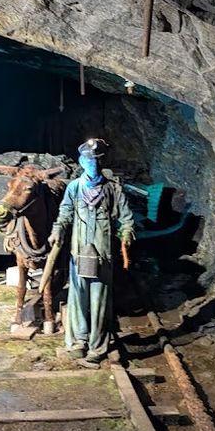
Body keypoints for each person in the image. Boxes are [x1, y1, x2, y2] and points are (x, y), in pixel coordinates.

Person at [49, 138, 135, 368]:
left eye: (97, 160)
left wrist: (126, 232)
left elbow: (125, 217)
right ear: (81, 161)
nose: (93, 164)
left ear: (103, 161)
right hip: (79, 254)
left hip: (103, 255)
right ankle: (79, 341)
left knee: (99, 301)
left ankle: (97, 346)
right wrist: (58, 229)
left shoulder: (113, 189)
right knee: (77, 297)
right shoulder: (74, 187)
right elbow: (65, 213)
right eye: (88, 159)